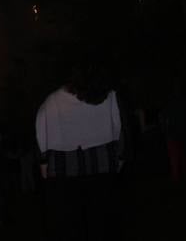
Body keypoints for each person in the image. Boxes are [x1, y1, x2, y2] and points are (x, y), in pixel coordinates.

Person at [34, 57, 124, 241]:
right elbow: (117, 129)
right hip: (101, 166)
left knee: (71, 225)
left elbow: (42, 132)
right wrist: (118, 157)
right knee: (101, 222)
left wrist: (44, 163)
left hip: (66, 171)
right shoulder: (108, 95)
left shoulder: (54, 100)